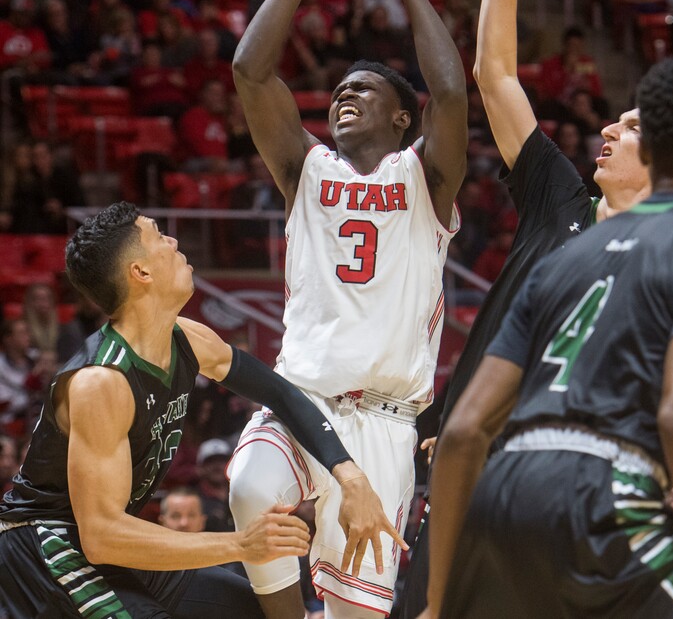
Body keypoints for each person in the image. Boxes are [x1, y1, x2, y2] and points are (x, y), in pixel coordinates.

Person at [399, 0, 653, 619]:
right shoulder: (561, 201)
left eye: (633, 127)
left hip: (575, 504)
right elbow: (495, 73)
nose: (608, 128)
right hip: (471, 483)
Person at [229, 0, 467, 619]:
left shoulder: (423, 178)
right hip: (303, 402)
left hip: (387, 425)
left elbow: (453, 94)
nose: (343, 96)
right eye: (337, 91)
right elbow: (249, 69)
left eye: (365, 90)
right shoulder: (305, 169)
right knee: (250, 489)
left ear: (402, 119)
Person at [0, 201, 404, 618]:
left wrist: (348, 473)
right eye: (159, 236)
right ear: (140, 273)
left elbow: (281, 394)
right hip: (47, 551)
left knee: (252, 612)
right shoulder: (101, 382)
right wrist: (240, 544)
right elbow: (101, 535)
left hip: (108, 548)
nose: (174, 241)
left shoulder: (188, 339)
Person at [421, 52, 673, 618]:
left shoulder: (565, 256)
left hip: (502, 496)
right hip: (604, 491)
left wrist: (437, 600)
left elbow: (464, 429)